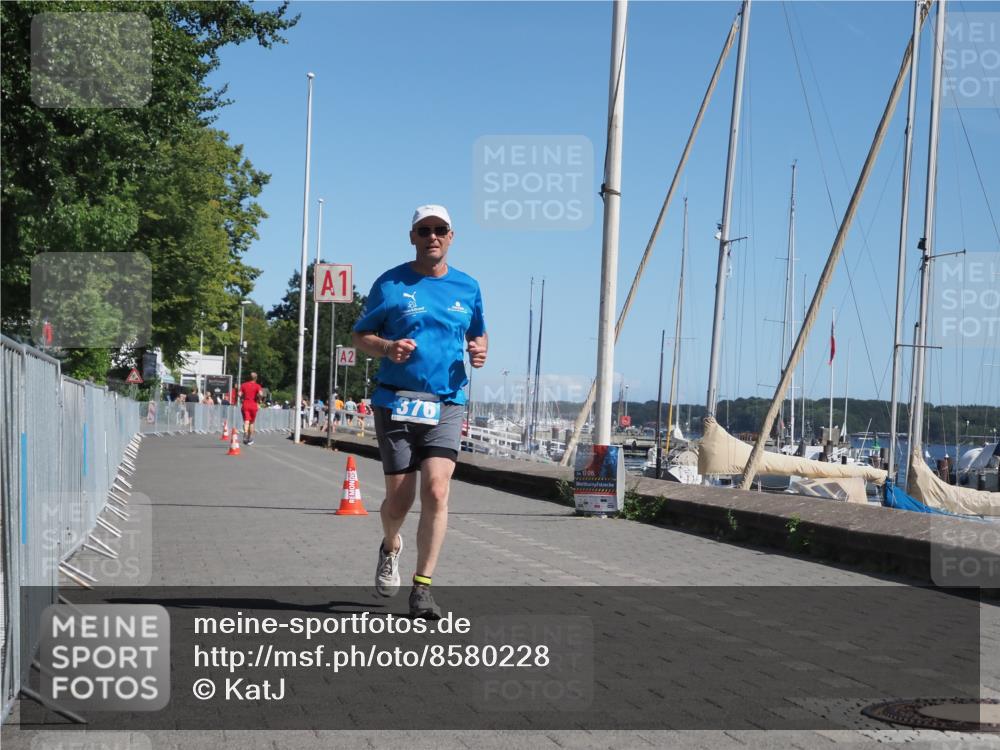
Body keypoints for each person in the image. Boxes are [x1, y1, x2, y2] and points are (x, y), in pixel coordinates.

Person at [352, 204, 486, 619]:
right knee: (399, 501)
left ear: (451, 235)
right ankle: (391, 544)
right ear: (412, 236)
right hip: (396, 400)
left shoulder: (468, 287)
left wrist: (480, 351)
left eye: (439, 229)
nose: (432, 236)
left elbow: (478, 332)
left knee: (437, 490)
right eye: (424, 230)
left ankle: (423, 587)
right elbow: (360, 336)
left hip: (447, 402)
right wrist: (387, 348)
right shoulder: (390, 284)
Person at [239, 372, 264, 445]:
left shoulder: (243, 385)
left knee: (246, 420)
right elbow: (261, 394)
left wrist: (241, 397)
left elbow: (239, 394)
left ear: (248, 377)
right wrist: (259, 398)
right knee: (252, 422)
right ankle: (250, 438)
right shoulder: (257, 386)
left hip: (245, 404)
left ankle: (245, 433)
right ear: (256, 378)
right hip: (253, 405)